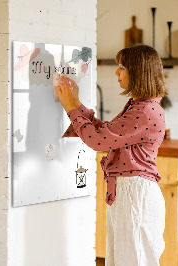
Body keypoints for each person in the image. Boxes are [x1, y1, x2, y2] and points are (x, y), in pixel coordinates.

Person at [54, 44, 167, 266]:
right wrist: (76, 103)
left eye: (122, 67)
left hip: (135, 195)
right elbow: (106, 133)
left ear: (138, 72)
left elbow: (98, 141)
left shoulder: (144, 111)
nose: (116, 72)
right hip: (129, 194)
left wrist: (70, 108)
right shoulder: (140, 106)